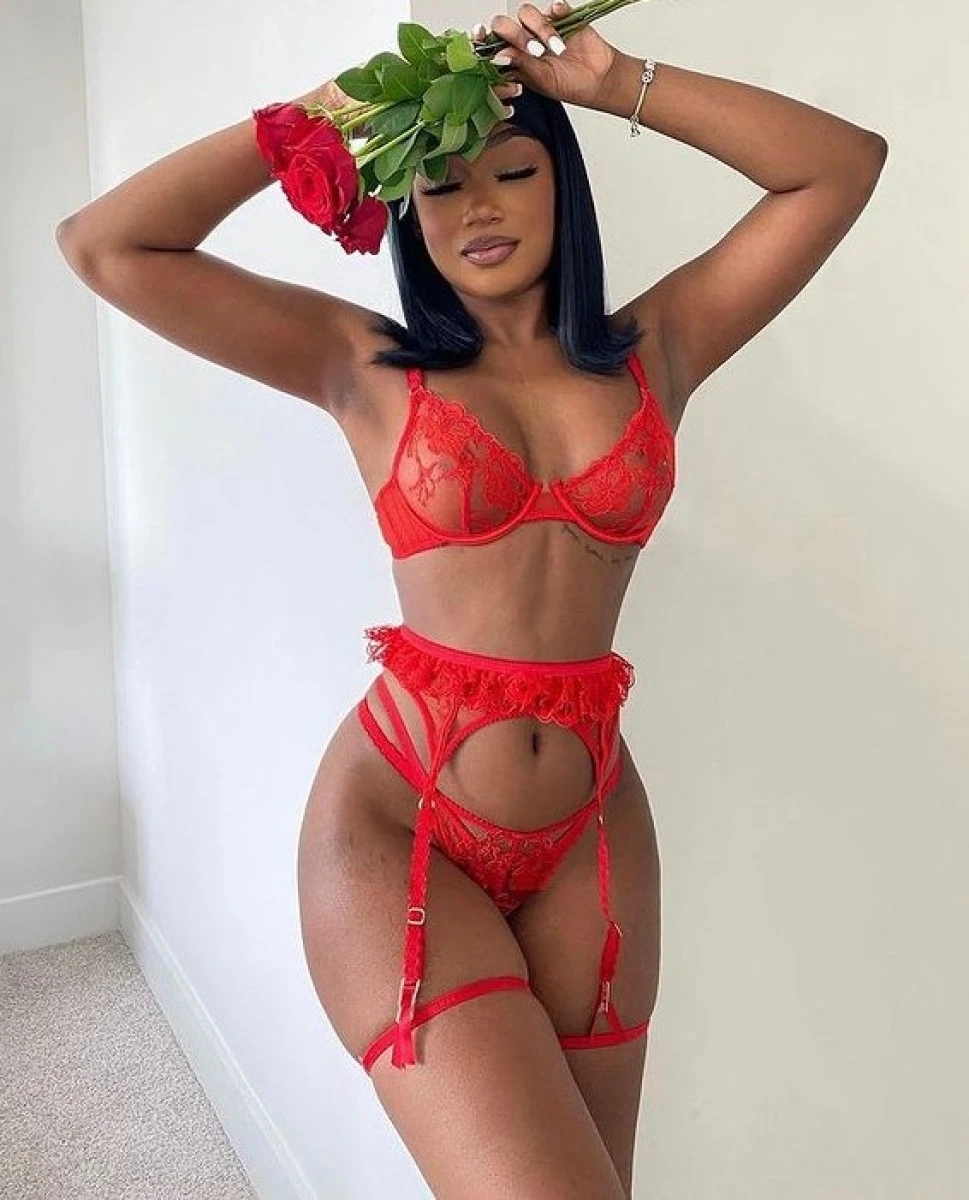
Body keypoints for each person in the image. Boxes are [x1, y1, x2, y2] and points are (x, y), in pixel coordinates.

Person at [56, 2, 887, 1195]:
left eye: (513, 171)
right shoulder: (361, 364)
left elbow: (838, 168)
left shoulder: (658, 347)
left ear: (565, 187)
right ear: (407, 210)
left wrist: (612, 81)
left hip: (593, 828)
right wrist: (329, 117)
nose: (479, 207)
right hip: (400, 828)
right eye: (440, 185)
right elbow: (107, 246)